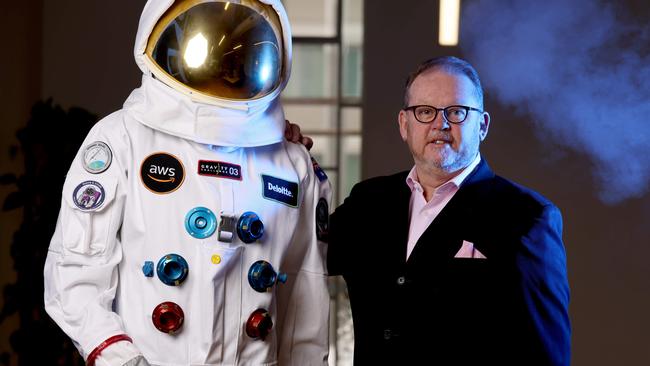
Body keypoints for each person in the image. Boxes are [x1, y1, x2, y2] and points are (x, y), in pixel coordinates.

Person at [43, 1, 331, 365]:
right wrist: (122, 358)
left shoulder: (291, 163)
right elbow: (76, 273)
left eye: (237, 43)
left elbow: (305, 298)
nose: (221, 54)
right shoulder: (124, 139)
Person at [291, 56, 571, 365]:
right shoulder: (369, 201)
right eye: (425, 111)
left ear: (482, 125)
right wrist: (281, 162)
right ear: (404, 124)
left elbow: (546, 356)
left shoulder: (527, 218)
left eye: (457, 111)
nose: (441, 124)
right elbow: (298, 252)